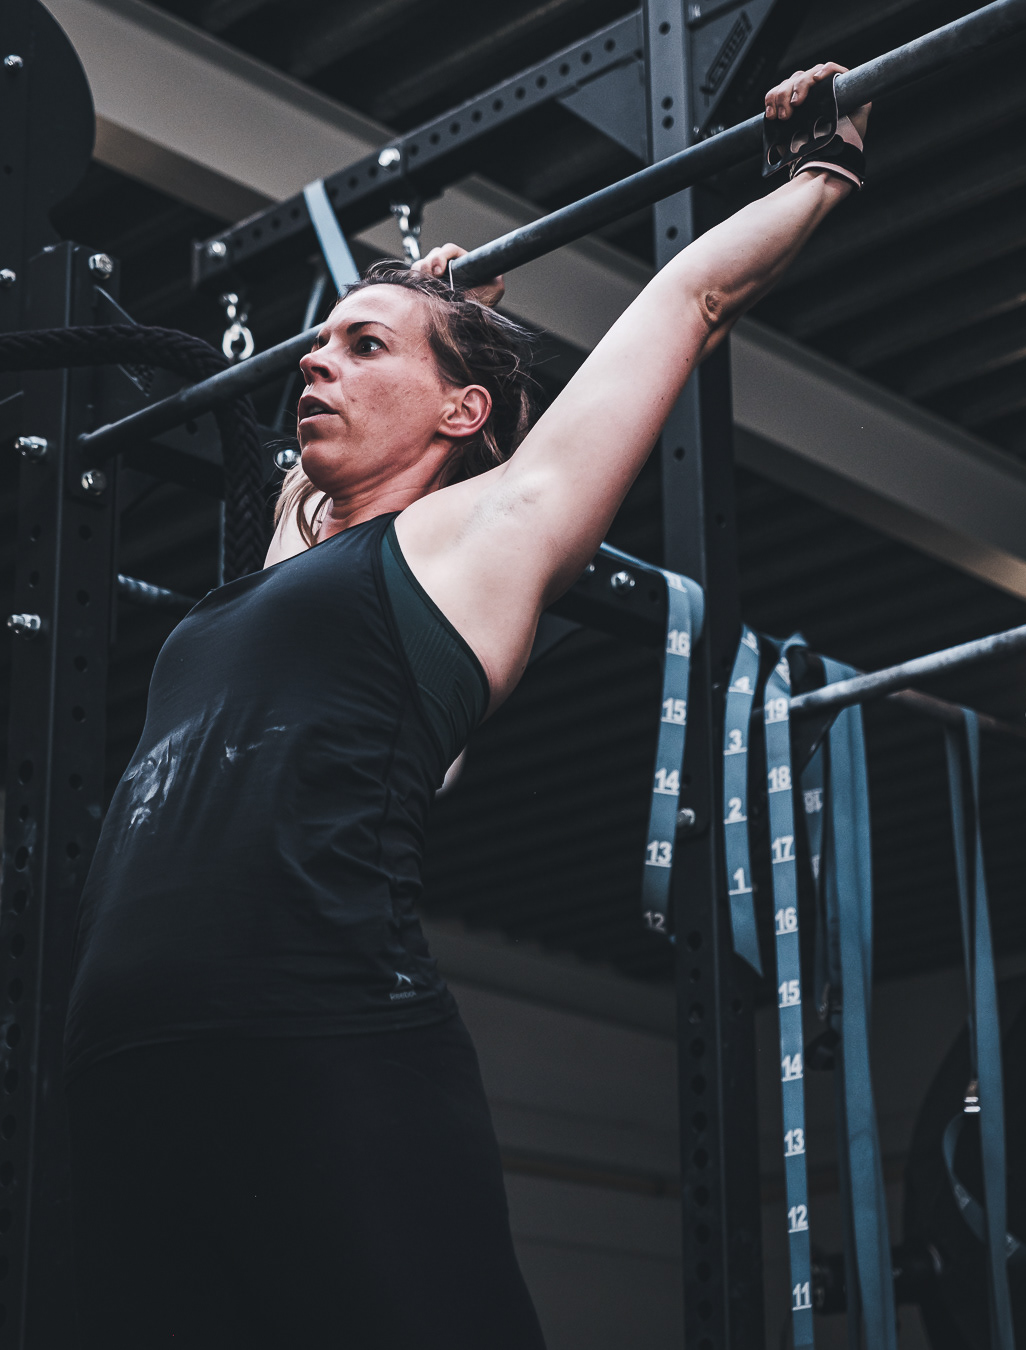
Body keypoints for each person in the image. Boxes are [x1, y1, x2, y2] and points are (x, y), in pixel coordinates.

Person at [64, 65, 869, 1350]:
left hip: (321, 1031)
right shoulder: (295, 548)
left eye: (362, 346)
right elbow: (327, 472)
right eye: (321, 342)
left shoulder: (484, 540)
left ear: (466, 411)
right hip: (123, 1068)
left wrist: (819, 170)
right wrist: (437, 307)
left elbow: (691, 297)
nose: (315, 360)